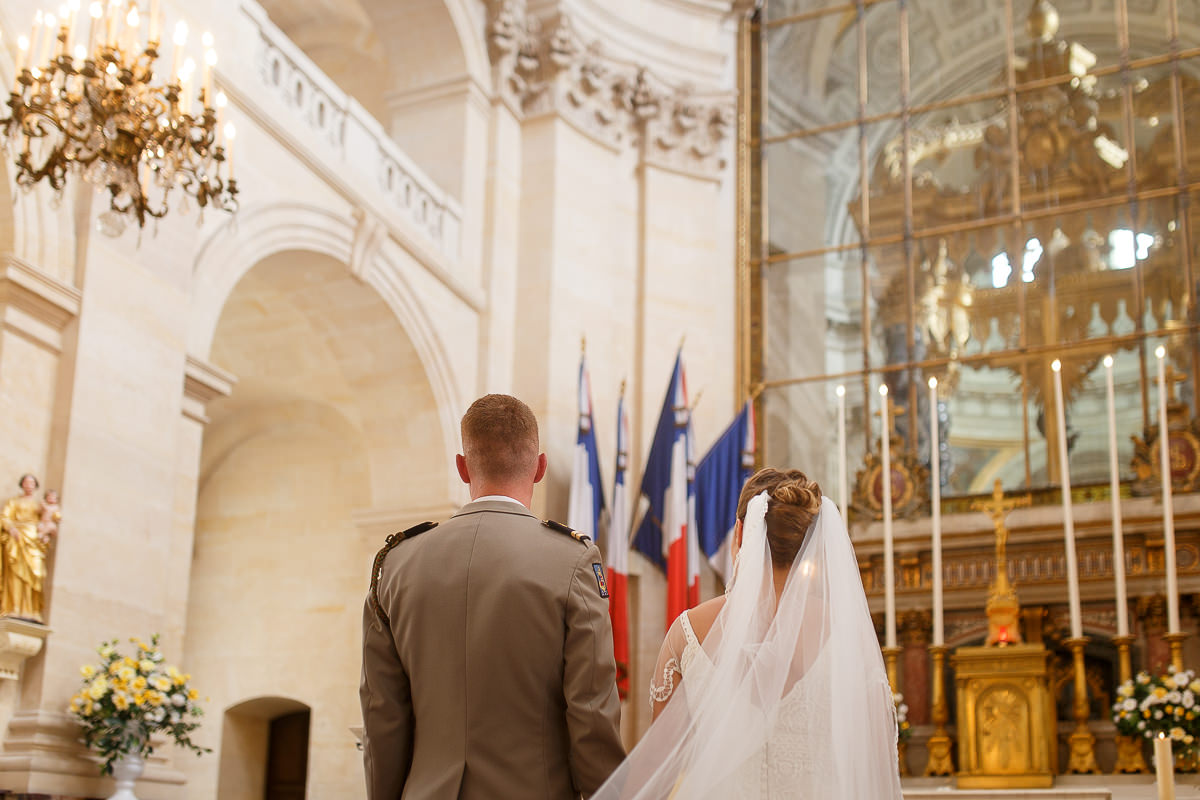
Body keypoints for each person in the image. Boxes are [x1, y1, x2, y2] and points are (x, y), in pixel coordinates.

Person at [360, 393, 625, 799]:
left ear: (463, 468)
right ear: (540, 468)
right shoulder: (572, 561)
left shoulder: (396, 563)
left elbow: (383, 716)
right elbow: (591, 717)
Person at [593, 468, 903, 799]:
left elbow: (656, 766)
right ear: (812, 542)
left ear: (740, 532)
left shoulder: (689, 632)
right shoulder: (846, 633)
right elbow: (876, 767)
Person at [0, 474, 56, 622]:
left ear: (36, 486)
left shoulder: (40, 505)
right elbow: (4, 517)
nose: (29, 485)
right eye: (26, 482)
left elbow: (50, 520)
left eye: (32, 483)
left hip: (33, 541)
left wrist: (45, 533)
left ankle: (31, 609)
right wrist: (11, 528)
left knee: (36, 575)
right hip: (17, 539)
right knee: (15, 574)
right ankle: (14, 607)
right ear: (22, 484)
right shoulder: (13, 502)